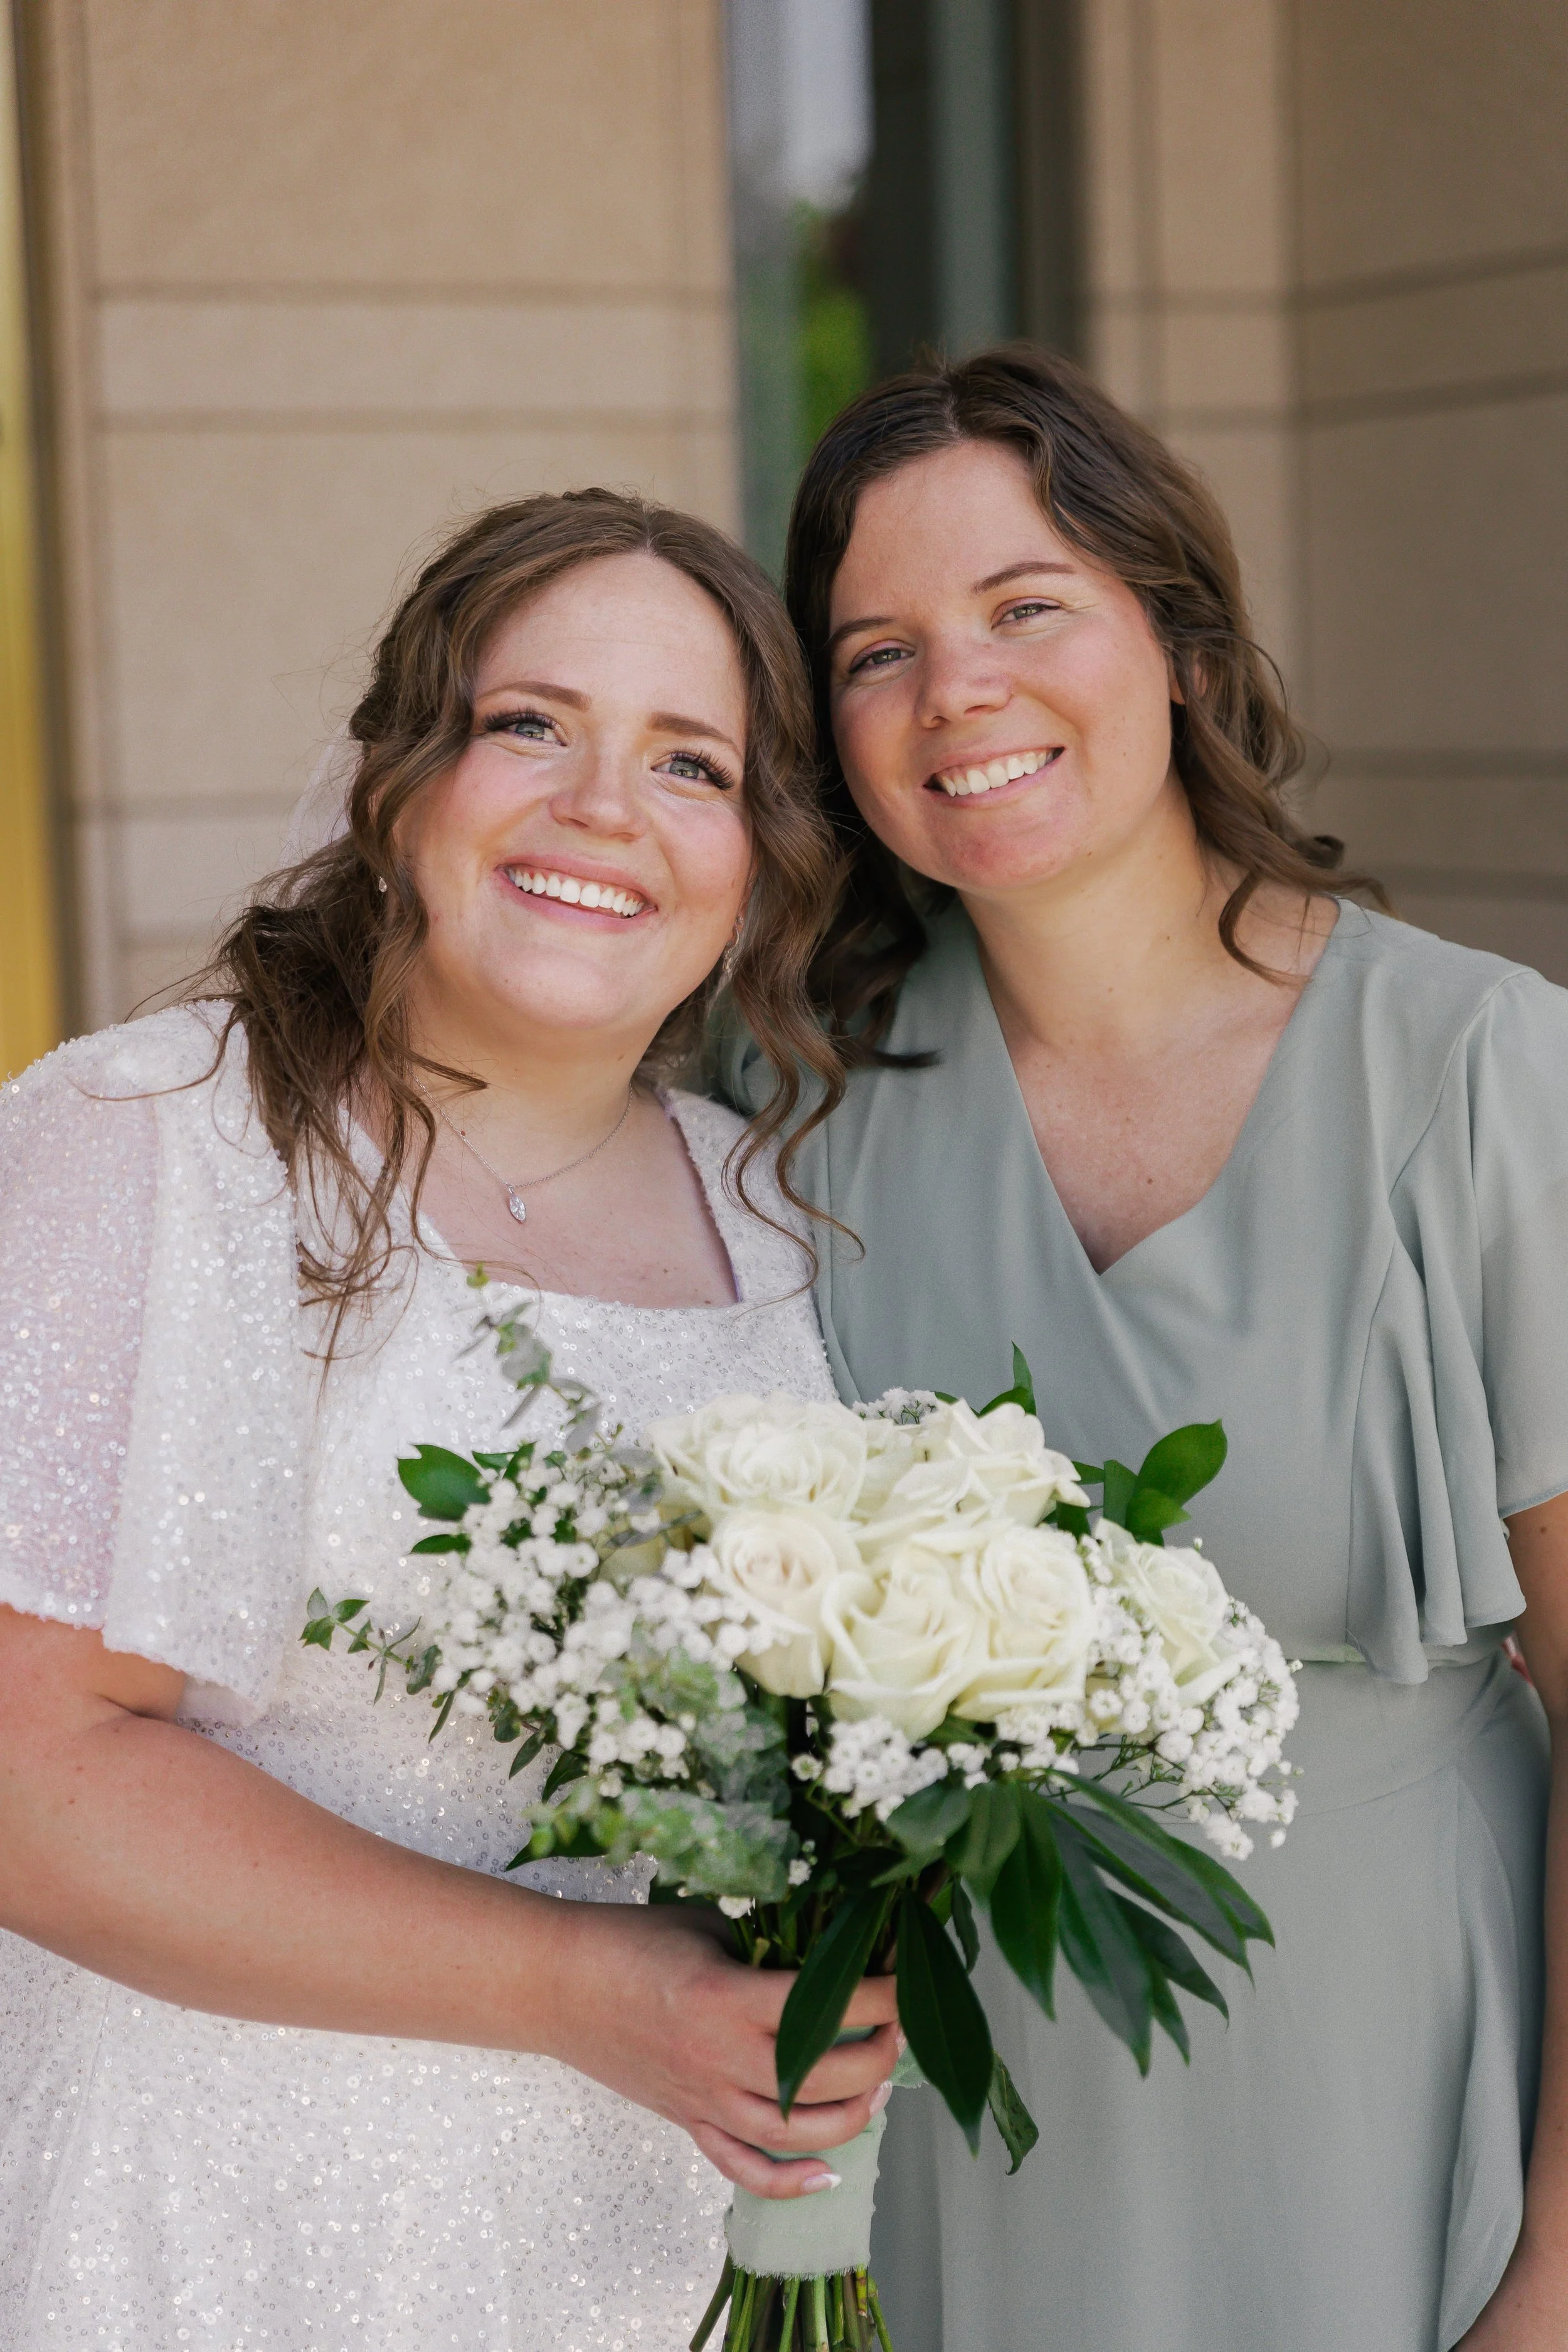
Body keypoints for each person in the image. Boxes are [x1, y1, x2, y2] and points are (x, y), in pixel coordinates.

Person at [0, 490, 900, 2352]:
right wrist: (593, 1987)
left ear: (756, 859)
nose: (601, 806)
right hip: (215, 2228)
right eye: (528, 725)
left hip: (637, 2250)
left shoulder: (784, 1225)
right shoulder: (151, 1141)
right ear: (402, 781)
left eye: (689, 762)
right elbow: (28, 1774)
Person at [743, 346, 1568, 2351]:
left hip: (1389, 2141)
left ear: (1180, 646)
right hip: (960, 2167)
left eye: (1027, 608)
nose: (959, 694)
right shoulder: (802, 1117)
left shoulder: (1474, 1069)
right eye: (877, 650)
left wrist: (1552, 2296)